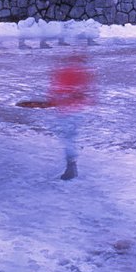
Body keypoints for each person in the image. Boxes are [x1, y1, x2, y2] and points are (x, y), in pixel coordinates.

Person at [48, 50, 92, 180]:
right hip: (76, 109)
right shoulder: (82, 72)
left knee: (68, 138)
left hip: (67, 110)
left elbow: (57, 90)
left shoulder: (65, 71)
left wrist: (57, 100)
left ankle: (71, 166)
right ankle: (71, 164)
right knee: (70, 137)